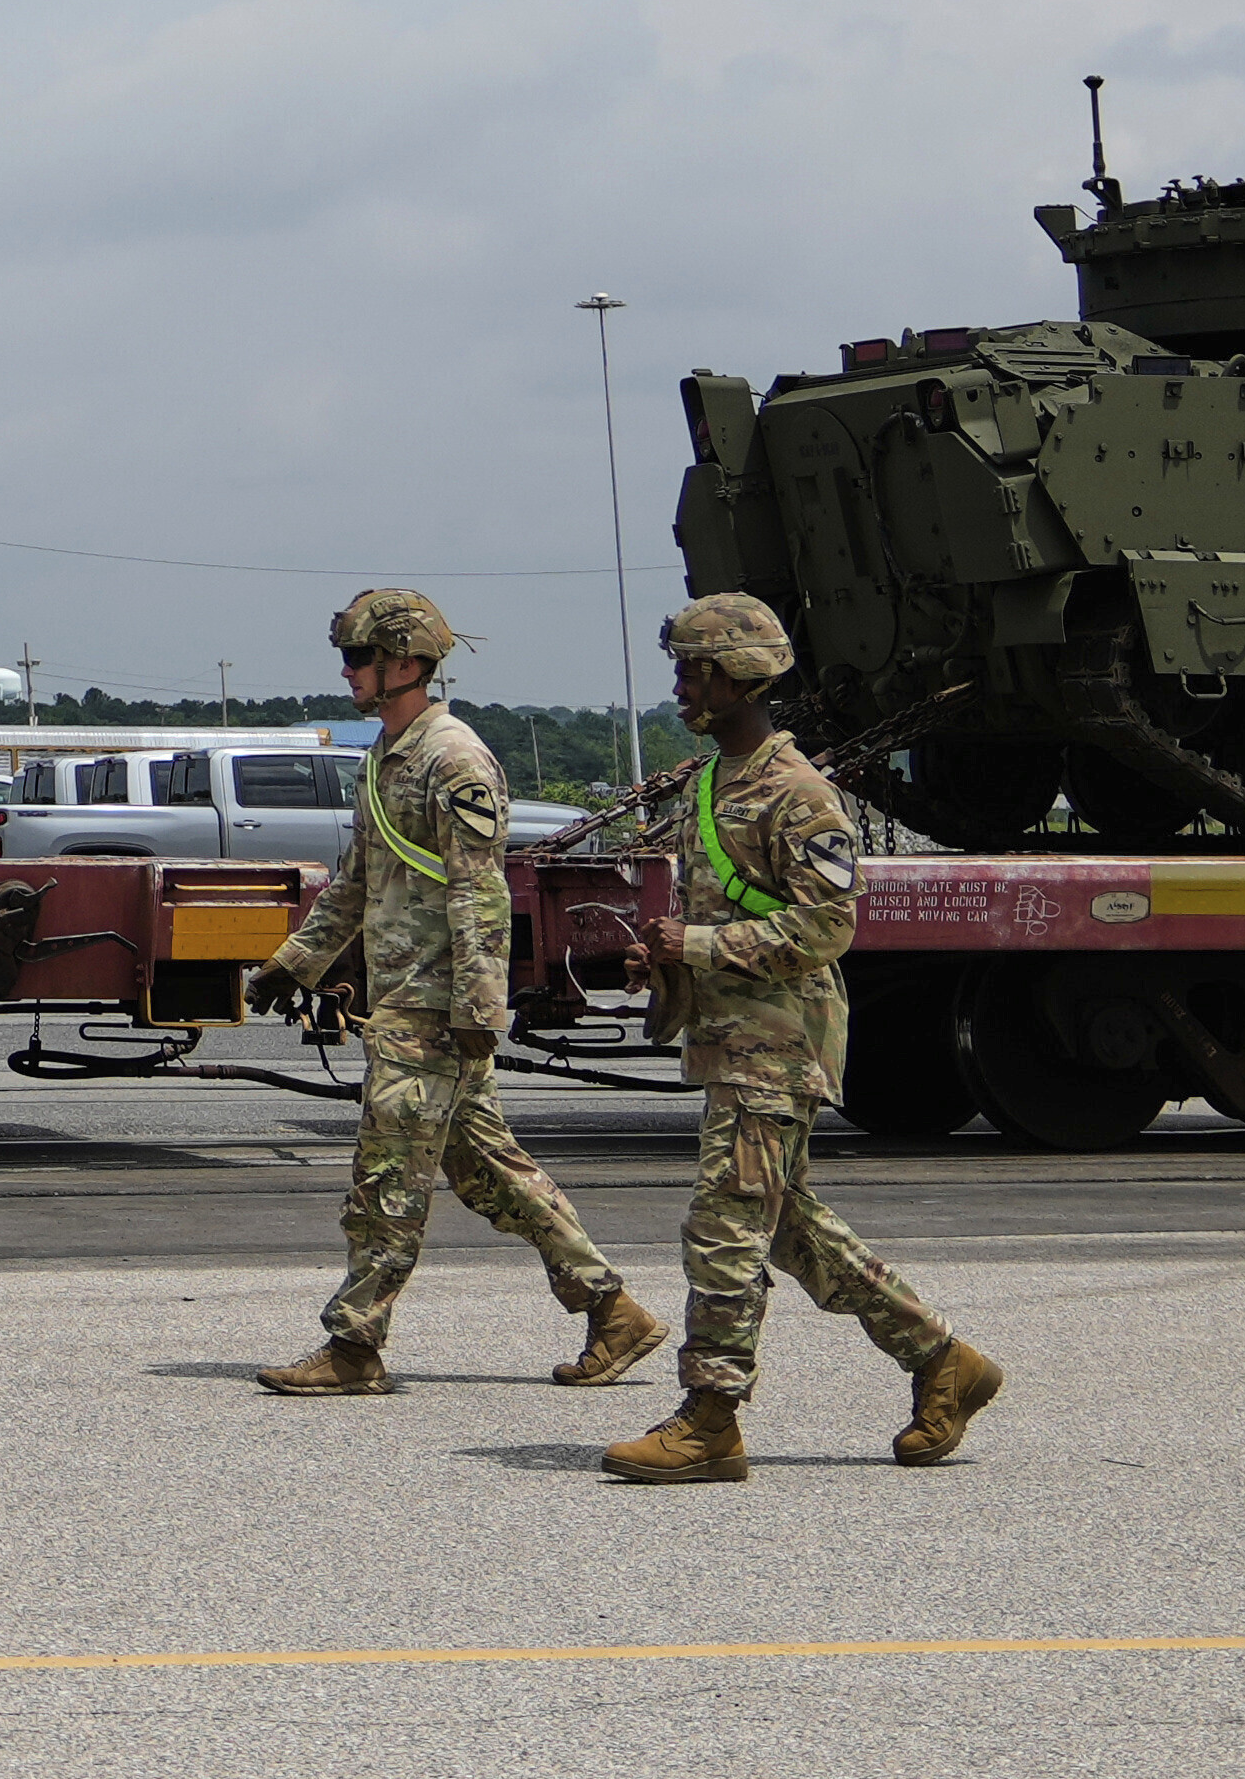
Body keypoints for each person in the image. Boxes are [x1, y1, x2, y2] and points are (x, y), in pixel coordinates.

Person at [603, 590, 1002, 1485]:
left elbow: (827, 930)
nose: (679, 684)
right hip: (729, 1037)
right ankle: (946, 1362)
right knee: (786, 1227)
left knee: (724, 1225)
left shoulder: (799, 794)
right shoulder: (712, 784)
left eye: (691, 668)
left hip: (778, 1046)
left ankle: (710, 1420)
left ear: (735, 676)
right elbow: (728, 913)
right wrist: (664, 959)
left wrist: (698, 945)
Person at [250, 582, 660, 1399]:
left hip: (436, 1007)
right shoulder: (385, 754)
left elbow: (480, 894)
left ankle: (355, 1343)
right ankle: (614, 1312)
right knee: (487, 1172)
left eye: (360, 657)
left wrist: (480, 1007)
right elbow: (359, 883)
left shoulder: (454, 758)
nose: (348, 671)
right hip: (405, 995)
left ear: (407, 663)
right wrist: (292, 962)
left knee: (386, 1173)